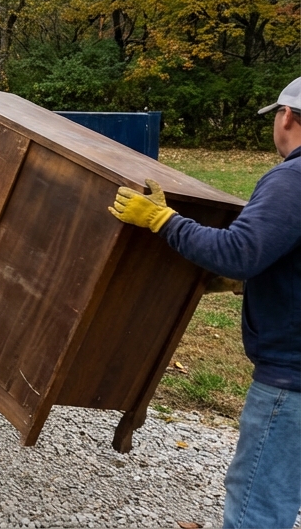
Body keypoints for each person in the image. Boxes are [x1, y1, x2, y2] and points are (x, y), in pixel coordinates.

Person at [110, 77, 301, 529]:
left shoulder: (291, 181)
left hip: (291, 378)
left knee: (259, 500)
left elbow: (238, 251)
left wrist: (163, 220)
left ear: (288, 116)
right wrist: (248, 282)